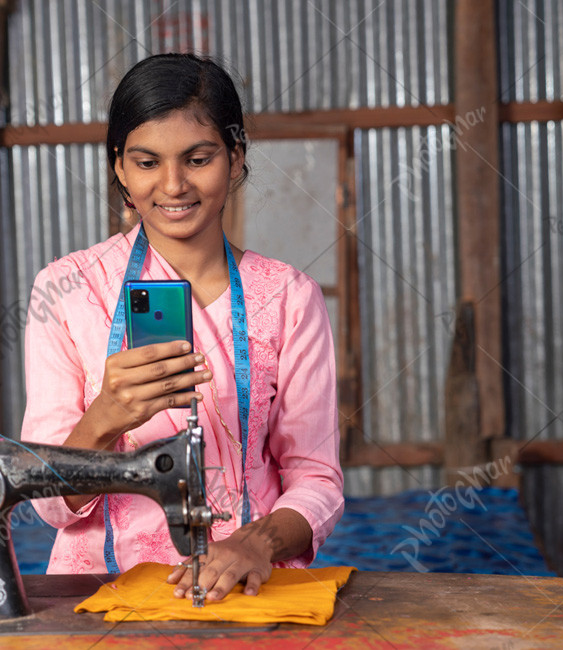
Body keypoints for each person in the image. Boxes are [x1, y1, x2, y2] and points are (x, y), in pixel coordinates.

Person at [20, 52, 344, 602]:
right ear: (119, 167)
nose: (173, 186)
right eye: (147, 163)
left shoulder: (289, 298)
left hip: (245, 592)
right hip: (98, 594)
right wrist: (104, 419)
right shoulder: (67, 288)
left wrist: (255, 542)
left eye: (198, 158)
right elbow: (49, 505)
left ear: (235, 157)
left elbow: (317, 479)